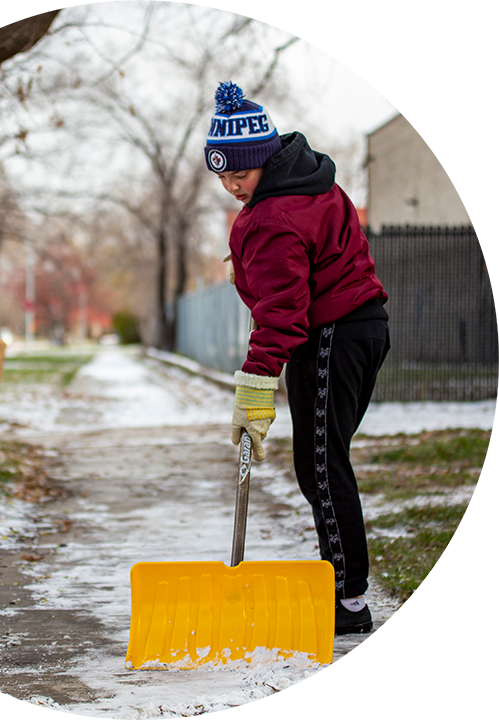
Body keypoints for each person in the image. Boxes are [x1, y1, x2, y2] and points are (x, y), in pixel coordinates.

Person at [205, 82, 390, 635]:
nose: (232, 186)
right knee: (325, 461)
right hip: (364, 326)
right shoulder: (316, 184)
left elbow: (283, 313)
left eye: (239, 173)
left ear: (263, 158)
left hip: (332, 333)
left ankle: (347, 599)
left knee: (322, 466)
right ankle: (344, 589)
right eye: (222, 176)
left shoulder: (271, 218)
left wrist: (255, 387)